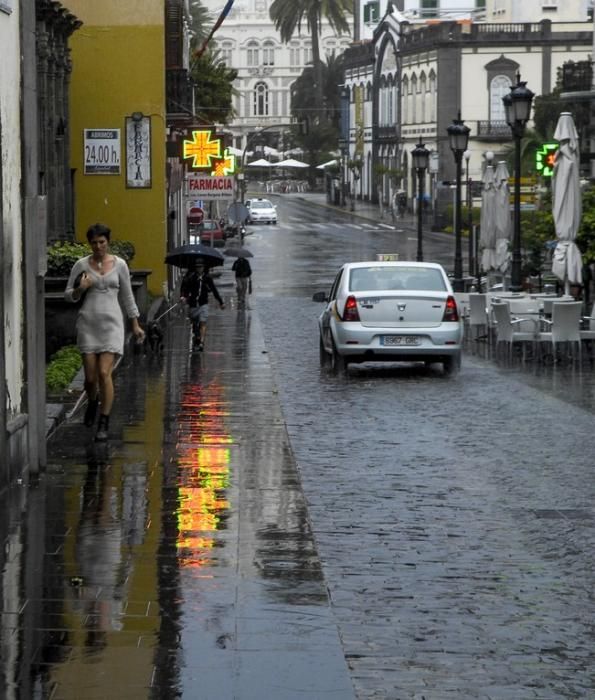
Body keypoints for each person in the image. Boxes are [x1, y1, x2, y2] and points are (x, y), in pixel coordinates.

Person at [65, 223, 145, 442]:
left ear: (108, 242)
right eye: (94, 243)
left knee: (103, 373)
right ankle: (92, 401)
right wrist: (81, 288)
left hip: (112, 325)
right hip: (88, 324)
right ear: (89, 244)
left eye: (102, 242)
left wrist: (135, 324)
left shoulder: (119, 265)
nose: (98, 246)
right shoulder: (81, 265)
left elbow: (128, 296)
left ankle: (104, 421)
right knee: (90, 379)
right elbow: (68, 295)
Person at [180, 259, 225, 350]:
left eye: (201, 267)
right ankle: (197, 336)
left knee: (203, 321)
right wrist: (183, 297)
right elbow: (185, 288)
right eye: (197, 267)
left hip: (203, 304)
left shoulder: (207, 278)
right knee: (195, 324)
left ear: (203, 268)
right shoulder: (191, 278)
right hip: (193, 304)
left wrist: (221, 302)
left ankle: (201, 342)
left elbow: (214, 290)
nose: (199, 269)